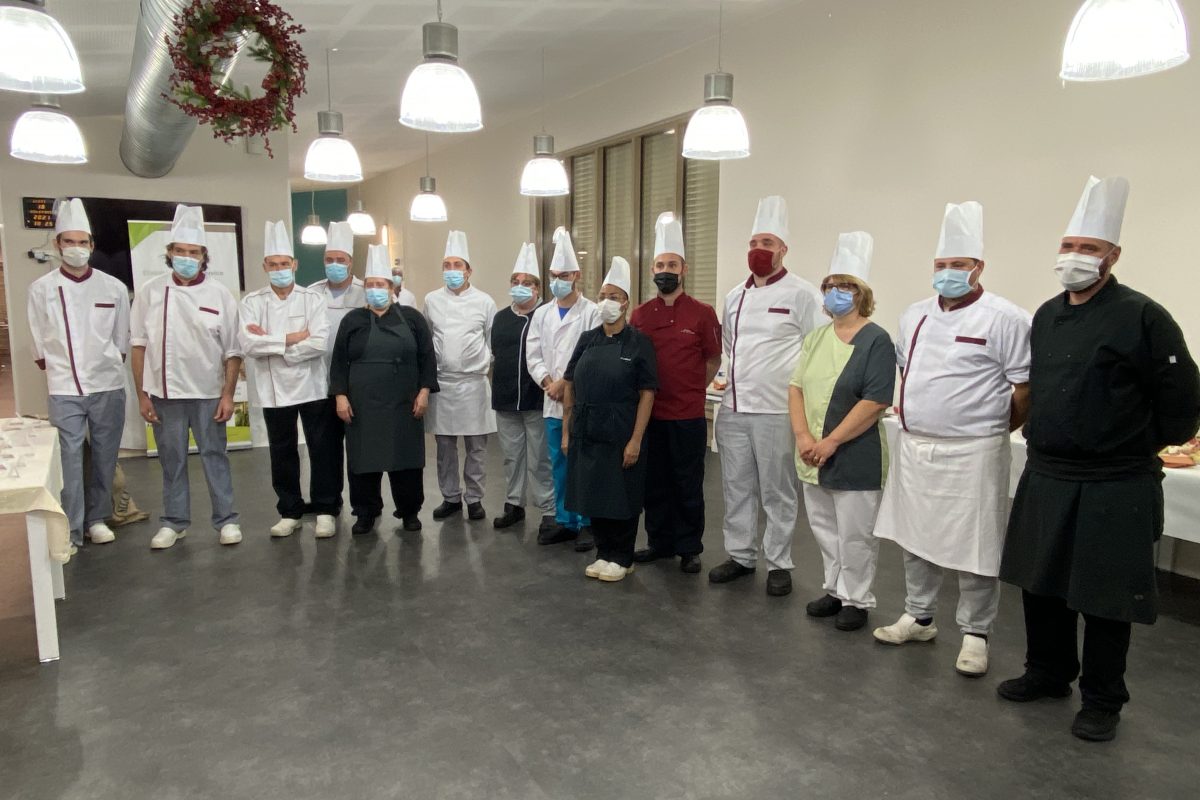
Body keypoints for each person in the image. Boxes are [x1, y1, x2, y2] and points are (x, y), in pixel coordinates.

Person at [997, 176, 1200, 742]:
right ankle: (1048, 671)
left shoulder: (1143, 316)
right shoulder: (1046, 314)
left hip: (1116, 480)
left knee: (1105, 596)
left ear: (1113, 256)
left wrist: (1133, 443)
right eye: (1069, 247)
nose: (1075, 258)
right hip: (1048, 471)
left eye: (1088, 249)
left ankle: (1103, 699)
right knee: (1041, 584)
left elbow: (1183, 402)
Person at [872, 202, 1031, 676]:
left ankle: (975, 632)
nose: (946, 274)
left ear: (978, 268)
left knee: (976, 544)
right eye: (940, 266)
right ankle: (919, 615)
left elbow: (1024, 389)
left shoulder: (1006, 318)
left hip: (975, 450)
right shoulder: (914, 315)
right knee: (914, 534)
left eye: (957, 266)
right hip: (915, 443)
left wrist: (996, 430)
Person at [710, 196, 823, 596]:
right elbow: (729, 347)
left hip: (777, 410)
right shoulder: (734, 296)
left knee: (778, 489)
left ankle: (779, 562)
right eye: (754, 243)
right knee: (736, 485)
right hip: (734, 409)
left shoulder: (803, 294)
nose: (760, 251)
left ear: (783, 250)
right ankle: (740, 555)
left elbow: (818, 349)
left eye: (768, 243)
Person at [789, 232, 895, 631]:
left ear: (861, 292)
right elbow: (796, 386)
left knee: (855, 533)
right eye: (830, 285)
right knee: (824, 528)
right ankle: (834, 589)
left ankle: (857, 599)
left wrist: (832, 441)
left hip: (854, 452)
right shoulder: (816, 337)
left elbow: (874, 400)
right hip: (811, 451)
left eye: (844, 285)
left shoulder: (877, 340)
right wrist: (803, 437)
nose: (835, 292)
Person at [130, 204, 242, 549]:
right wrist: (142, 395)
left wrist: (227, 394)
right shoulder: (150, 292)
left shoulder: (220, 295)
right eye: (180, 251)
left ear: (204, 256)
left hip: (208, 392)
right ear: (169, 253)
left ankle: (226, 520)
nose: (187, 258)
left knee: (214, 456)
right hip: (164, 394)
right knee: (172, 460)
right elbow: (138, 347)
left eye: (194, 253)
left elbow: (233, 352)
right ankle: (174, 521)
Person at [27, 198, 129, 548]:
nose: (76, 249)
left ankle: (97, 519)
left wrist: (108, 362)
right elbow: (38, 340)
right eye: (69, 242)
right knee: (69, 458)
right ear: (57, 245)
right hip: (64, 385)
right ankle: (71, 526)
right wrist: (56, 369)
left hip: (107, 384)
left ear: (92, 246)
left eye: (82, 242)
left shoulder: (112, 288)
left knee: (105, 455)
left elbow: (121, 339)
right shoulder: (41, 290)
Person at [629, 213, 720, 573]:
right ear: (652, 270)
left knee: (687, 481)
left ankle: (689, 546)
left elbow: (712, 359)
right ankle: (659, 541)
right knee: (654, 482)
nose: (665, 270)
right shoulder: (640, 314)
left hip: (687, 413)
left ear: (684, 269)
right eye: (660, 264)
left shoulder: (702, 313)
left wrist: (694, 385)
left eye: (672, 264)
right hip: (649, 414)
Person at [238, 221, 339, 539]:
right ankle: (290, 509)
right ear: (264, 267)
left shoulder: (312, 299)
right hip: (272, 390)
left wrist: (273, 345)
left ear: (294, 265)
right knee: (281, 452)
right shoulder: (251, 302)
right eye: (274, 265)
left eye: (285, 264)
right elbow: (249, 345)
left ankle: (325, 508)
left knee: (322, 449)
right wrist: (294, 337)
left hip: (311, 386)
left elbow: (319, 343)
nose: (280, 269)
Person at [330, 244, 438, 534]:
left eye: (381, 284)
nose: (375, 289)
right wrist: (340, 396)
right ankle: (365, 512)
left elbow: (428, 358)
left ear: (392, 288)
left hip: (404, 402)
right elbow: (339, 362)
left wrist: (424, 391)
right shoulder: (351, 321)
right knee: (363, 460)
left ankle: (409, 512)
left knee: (406, 461)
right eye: (370, 285)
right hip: (362, 404)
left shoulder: (412, 319)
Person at [564, 257, 657, 582]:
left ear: (626, 303)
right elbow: (570, 383)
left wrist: (636, 439)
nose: (607, 303)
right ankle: (604, 552)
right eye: (603, 295)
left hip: (622, 428)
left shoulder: (638, 342)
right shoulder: (588, 338)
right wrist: (567, 431)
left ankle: (623, 555)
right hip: (588, 428)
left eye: (614, 297)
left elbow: (647, 393)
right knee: (594, 491)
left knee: (622, 493)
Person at [526, 226, 601, 550]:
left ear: (577, 275)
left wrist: (564, 383)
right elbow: (533, 353)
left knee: (583, 463)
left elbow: (593, 356)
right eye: (554, 274)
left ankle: (586, 522)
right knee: (558, 462)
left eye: (565, 274)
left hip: (581, 401)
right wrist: (548, 382)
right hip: (552, 402)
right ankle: (565, 519)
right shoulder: (541, 313)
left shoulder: (592, 313)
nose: (559, 280)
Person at [422, 231, 498, 521]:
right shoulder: (431, 300)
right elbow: (427, 340)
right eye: (447, 265)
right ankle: (450, 497)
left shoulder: (485, 302)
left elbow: (491, 341)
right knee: (444, 446)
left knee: (477, 446)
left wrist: (479, 362)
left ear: (469, 270)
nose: (452, 271)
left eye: (458, 265)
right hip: (443, 383)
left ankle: (475, 498)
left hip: (474, 383)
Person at [490, 243, 556, 533]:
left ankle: (548, 509)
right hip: (505, 399)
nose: (520, 287)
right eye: (515, 282)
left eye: (527, 283)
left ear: (538, 288)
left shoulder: (547, 315)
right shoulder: (501, 317)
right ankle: (513, 504)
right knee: (511, 456)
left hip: (537, 399)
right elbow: (494, 355)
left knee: (541, 459)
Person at [308, 221, 365, 516]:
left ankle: (362, 504)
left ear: (351, 262)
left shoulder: (366, 292)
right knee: (323, 448)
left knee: (358, 448)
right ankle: (327, 504)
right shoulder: (311, 294)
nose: (334, 265)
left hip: (356, 384)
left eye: (340, 260)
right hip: (319, 382)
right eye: (329, 260)